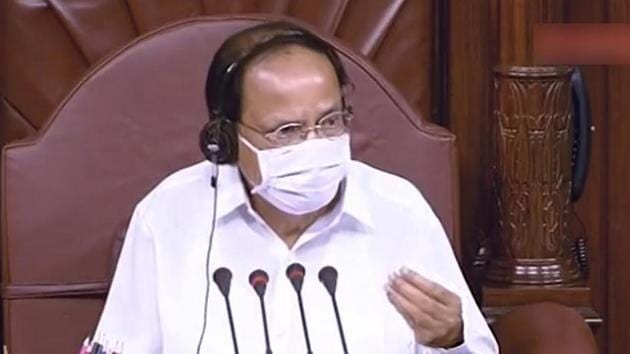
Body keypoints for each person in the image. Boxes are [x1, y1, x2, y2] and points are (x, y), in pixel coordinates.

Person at [94, 21, 498, 354]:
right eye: (286, 131)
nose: (314, 144)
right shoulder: (168, 216)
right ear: (226, 139)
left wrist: (452, 341)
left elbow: (472, 349)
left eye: (330, 122)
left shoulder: (398, 209)